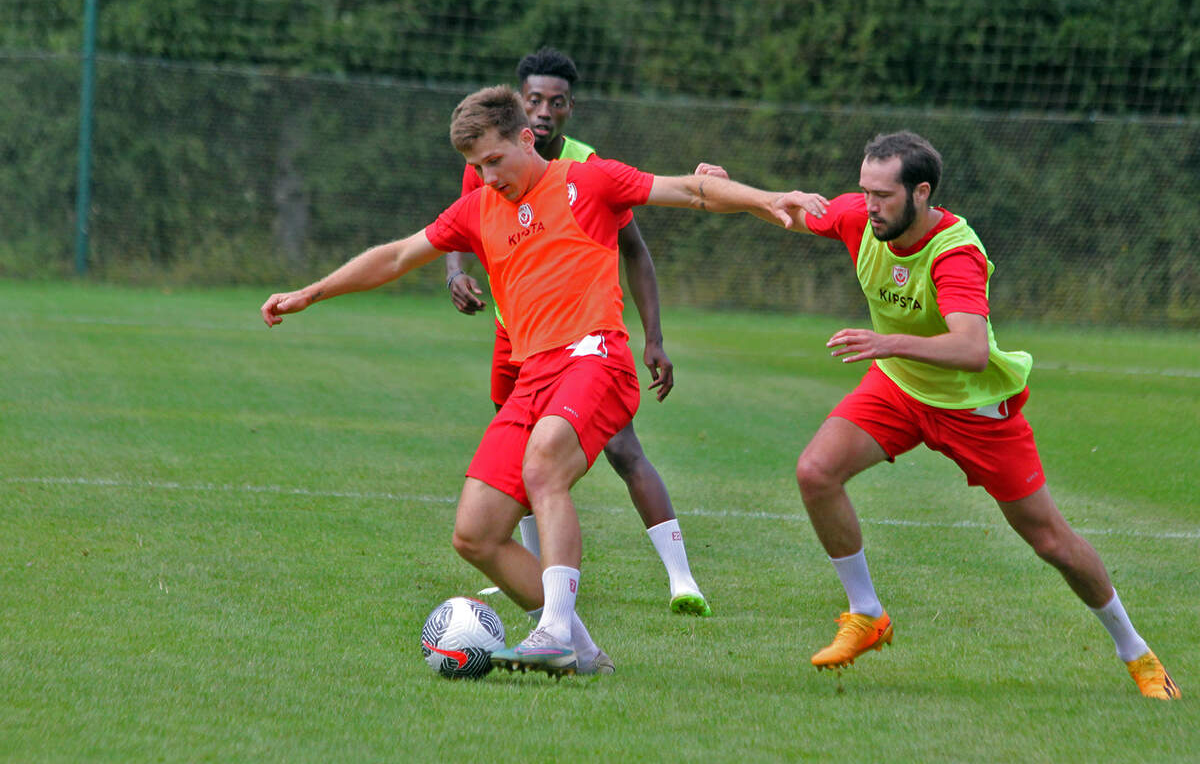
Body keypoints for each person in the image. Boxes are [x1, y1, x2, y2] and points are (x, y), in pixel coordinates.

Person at [260, 85, 828, 677]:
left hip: (596, 357)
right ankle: (580, 651)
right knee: (475, 534)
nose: (486, 176)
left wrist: (770, 198)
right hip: (535, 376)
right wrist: (311, 292)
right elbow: (398, 256)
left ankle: (552, 631)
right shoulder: (477, 209)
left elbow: (691, 188)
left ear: (525, 138)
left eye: (494, 161)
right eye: (474, 167)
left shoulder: (588, 180)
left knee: (543, 464)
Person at [753, 130, 1177, 699]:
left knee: (1051, 541)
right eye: (864, 191)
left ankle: (1137, 653)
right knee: (815, 472)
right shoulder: (861, 218)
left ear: (921, 192)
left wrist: (889, 342)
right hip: (900, 391)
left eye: (883, 195)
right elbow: (784, 209)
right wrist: (733, 188)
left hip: (973, 407)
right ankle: (866, 614)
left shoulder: (956, 253)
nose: (869, 205)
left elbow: (971, 349)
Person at [443, 48, 711, 617]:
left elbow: (636, 253)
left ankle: (681, 578)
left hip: (583, 341)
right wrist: (455, 272)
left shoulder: (586, 168)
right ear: (518, 105)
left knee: (621, 449)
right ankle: (546, 592)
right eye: (534, 100)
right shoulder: (484, 158)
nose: (544, 111)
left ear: (569, 109)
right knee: (520, 463)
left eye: (555, 102)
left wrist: (654, 336)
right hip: (515, 338)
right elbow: (459, 225)